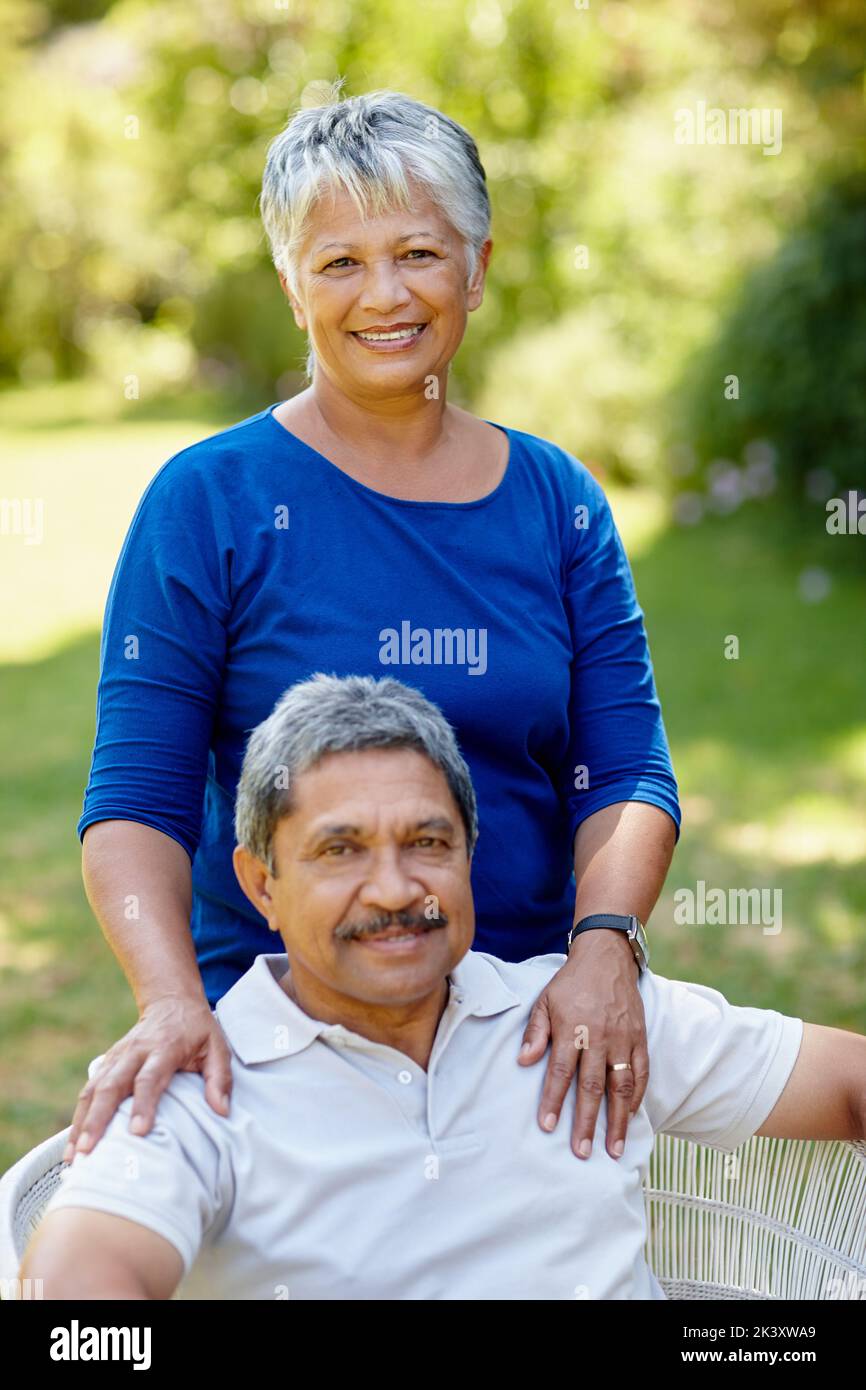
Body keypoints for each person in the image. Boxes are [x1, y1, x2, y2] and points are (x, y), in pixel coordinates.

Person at [66, 87, 680, 1174]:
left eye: (416, 253)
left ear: (476, 268)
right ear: (292, 287)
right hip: (284, 1037)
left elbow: (623, 771)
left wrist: (601, 949)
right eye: (339, 261)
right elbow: (135, 803)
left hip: (527, 1030)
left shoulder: (556, 500)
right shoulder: (208, 502)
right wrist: (172, 1003)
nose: (383, 295)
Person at [24, 675, 865, 1300]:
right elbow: (76, 1295)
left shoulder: (588, 1019)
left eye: (428, 841)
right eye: (340, 850)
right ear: (262, 885)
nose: (392, 889)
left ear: (470, 855)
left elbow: (848, 1086)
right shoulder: (196, 1083)